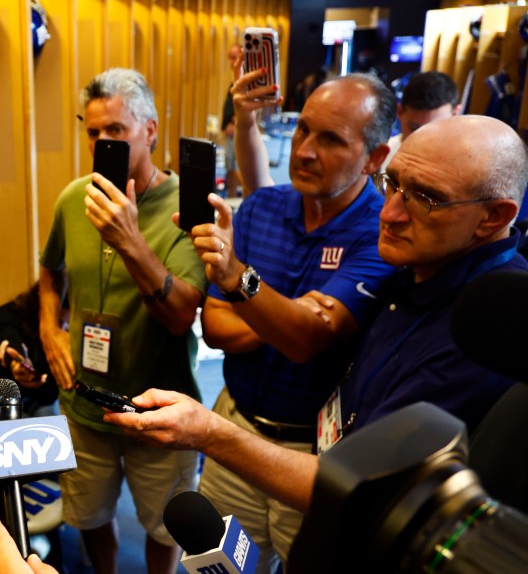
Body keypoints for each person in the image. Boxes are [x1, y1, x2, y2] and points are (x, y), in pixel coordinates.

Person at [107, 114, 528, 518]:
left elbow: (360, 487)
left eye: (425, 198)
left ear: (493, 217)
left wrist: (208, 431)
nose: (390, 213)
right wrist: (289, 315)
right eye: (393, 185)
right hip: (312, 447)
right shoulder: (418, 261)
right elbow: (222, 326)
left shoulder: (491, 326)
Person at [200, 70, 399, 573]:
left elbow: (305, 340)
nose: (305, 150)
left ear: (375, 159)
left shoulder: (382, 237)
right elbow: (215, 329)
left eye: (331, 139)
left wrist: (240, 282)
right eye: (304, 130)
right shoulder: (263, 206)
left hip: (316, 460)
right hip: (234, 428)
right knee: (218, 566)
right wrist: (283, 312)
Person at [38, 68, 207, 574]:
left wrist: (129, 238)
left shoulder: (187, 210)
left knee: (163, 524)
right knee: (90, 516)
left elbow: (181, 316)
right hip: (84, 403)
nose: (102, 143)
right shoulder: (74, 198)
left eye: (116, 131)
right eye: (93, 133)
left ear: (150, 130)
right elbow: (50, 273)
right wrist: (50, 327)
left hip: (159, 407)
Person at [0, 280, 60, 417]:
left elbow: (52, 392)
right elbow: (10, 341)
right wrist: (17, 363)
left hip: (41, 394)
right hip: (0, 387)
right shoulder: (8, 313)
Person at [381, 70, 461, 171]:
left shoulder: (465, 163)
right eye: (414, 129)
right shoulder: (380, 156)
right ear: (400, 111)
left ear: (455, 114)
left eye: (435, 131)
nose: (423, 141)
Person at [221, 43, 243, 198]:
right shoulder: (234, 80)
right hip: (230, 130)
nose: (231, 62)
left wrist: (234, 123)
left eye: (234, 58)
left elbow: (243, 106)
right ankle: (231, 196)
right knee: (229, 165)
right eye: (230, 58)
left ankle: (252, 192)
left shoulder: (242, 81)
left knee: (235, 166)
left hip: (236, 130)